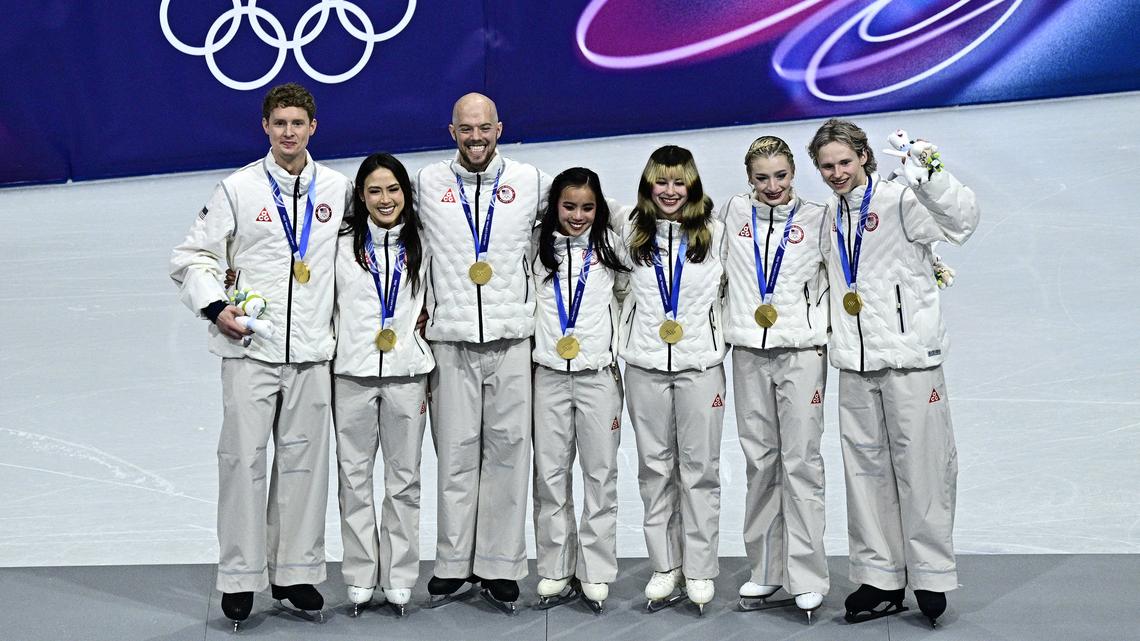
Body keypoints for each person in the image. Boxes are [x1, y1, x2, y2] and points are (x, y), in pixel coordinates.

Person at [169, 83, 352, 630]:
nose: (288, 132)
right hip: (249, 348)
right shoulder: (238, 189)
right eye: (279, 123)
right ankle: (240, 578)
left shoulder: (338, 189)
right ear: (265, 127)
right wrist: (215, 306)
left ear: (313, 127)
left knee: (304, 467)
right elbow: (191, 257)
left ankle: (295, 574)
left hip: (312, 353)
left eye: (298, 123)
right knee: (242, 462)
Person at [807, 118, 979, 627]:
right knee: (865, 475)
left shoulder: (902, 199)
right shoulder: (826, 217)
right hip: (855, 366)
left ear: (864, 156)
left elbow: (961, 223)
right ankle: (880, 577)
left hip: (910, 362)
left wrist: (931, 178)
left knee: (924, 470)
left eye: (845, 161)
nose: (837, 173)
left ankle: (930, 575)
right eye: (827, 166)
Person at [413, 93, 552, 614]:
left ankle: (499, 565)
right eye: (466, 129)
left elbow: (583, 215)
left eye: (484, 128)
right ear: (452, 132)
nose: (476, 138)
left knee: (508, 456)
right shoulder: (426, 183)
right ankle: (453, 563)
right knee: (455, 455)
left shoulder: (530, 182)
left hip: (512, 339)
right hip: (450, 341)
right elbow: (373, 222)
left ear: (499, 129)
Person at [719, 136, 830, 621]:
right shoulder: (732, 214)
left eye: (781, 175)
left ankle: (807, 574)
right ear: (749, 178)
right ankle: (766, 566)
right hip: (748, 351)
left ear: (793, 174)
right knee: (761, 462)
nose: (772, 186)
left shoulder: (818, 218)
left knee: (801, 461)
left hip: (802, 353)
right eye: (762, 178)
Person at [618, 145, 727, 615]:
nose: (669, 191)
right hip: (645, 365)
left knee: (700, 470)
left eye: (678, 181)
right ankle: (666, 565)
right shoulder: (629, 231)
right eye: (661, 181)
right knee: (655, 469)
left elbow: (737, 287)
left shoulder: (716, 233)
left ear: (692, 185)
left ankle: (699, 567)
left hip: (701, 366)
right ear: (648, 185)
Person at [331, 153, 433, 618]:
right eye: (375, 190)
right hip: (351, 374)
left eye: (393, 190)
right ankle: (359, 573)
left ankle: (399, 576)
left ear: (406, 194)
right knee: (353, 478)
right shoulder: (339, 245)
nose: (385, 199)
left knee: (404, 480)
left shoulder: (425, 242)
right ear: (361, 196)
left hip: (406, 375)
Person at [530, 167, 629, 614]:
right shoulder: (536, 246)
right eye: (569, 206)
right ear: (554, 206)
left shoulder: (610, 245)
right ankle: (555, 566)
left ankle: (595, 569)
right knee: (550, 476)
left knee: (600, 475)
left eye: (587, 207)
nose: (577, 215)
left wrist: (612, 345)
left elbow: (627, 295)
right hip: (549, 376)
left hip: (597, 377)